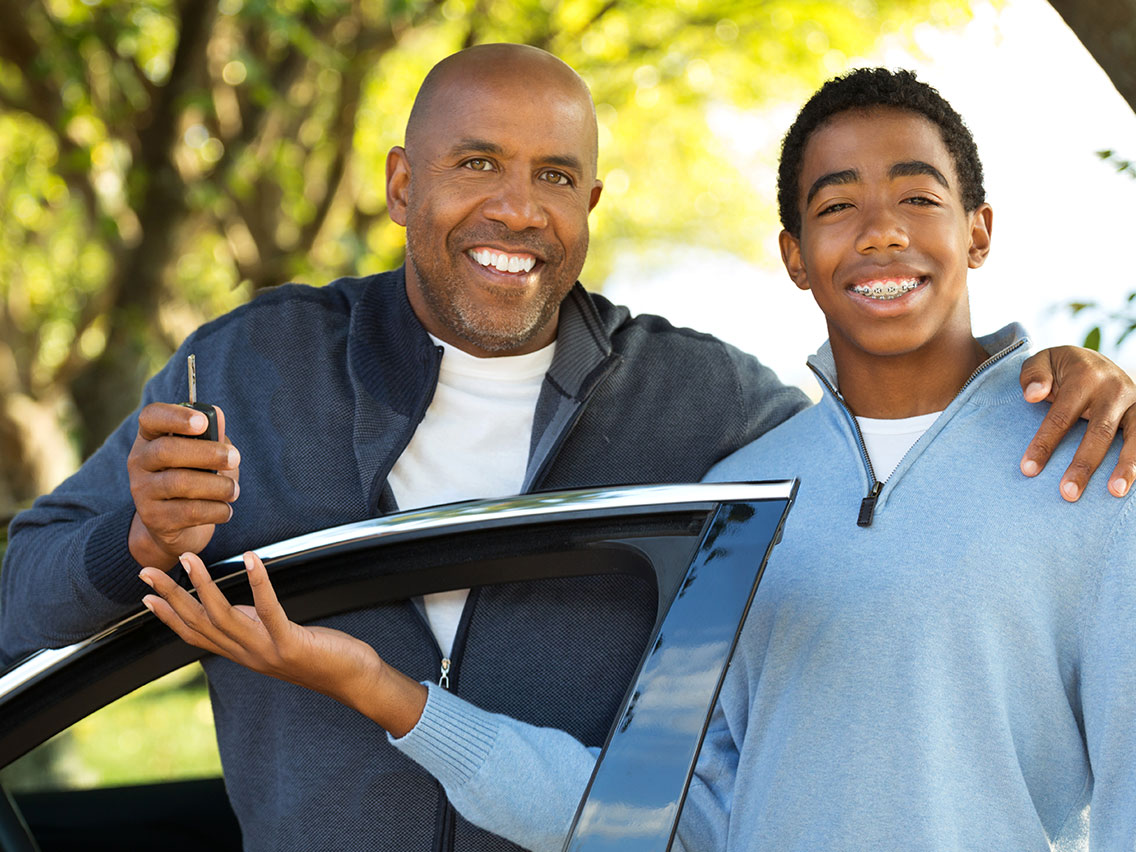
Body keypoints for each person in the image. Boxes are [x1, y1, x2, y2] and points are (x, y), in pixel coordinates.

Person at [2, 47, 1133, 852]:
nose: (516, 209)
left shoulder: (709, 416)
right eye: (475, 165)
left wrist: (1069, 379)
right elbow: (19, 602)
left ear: (591, 201)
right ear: (403, 184)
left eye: (553, 178)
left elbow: (897, 439)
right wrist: (136, 540)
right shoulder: (251, 371)